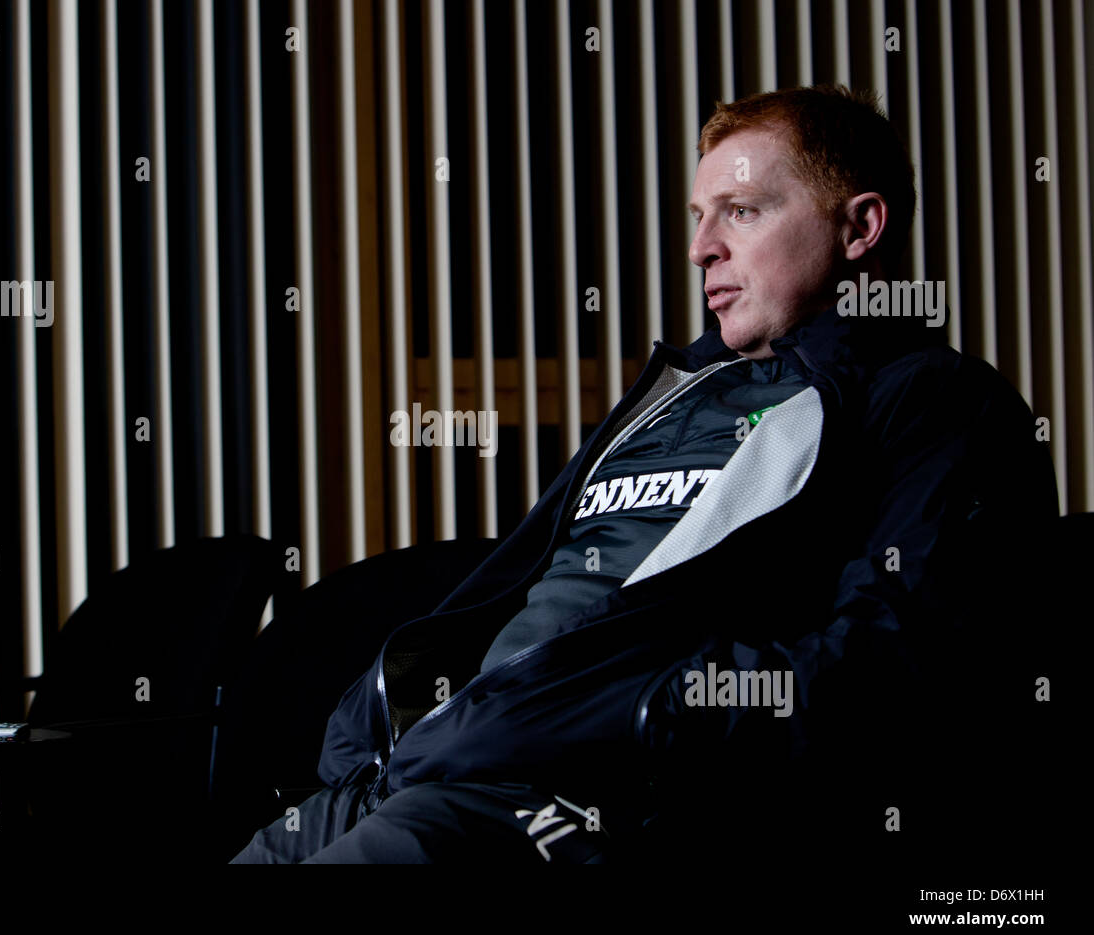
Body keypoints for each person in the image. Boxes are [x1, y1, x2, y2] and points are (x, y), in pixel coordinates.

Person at [230, 85, 1058, 864]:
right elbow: (527, 597)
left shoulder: (932, 402)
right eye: (700, 217)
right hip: (414, 764)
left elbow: (890, 666)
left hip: (575, 795)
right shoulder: (669, 394)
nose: (702, 247)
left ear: (860, 227)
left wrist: (627, 716)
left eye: (742, 210)